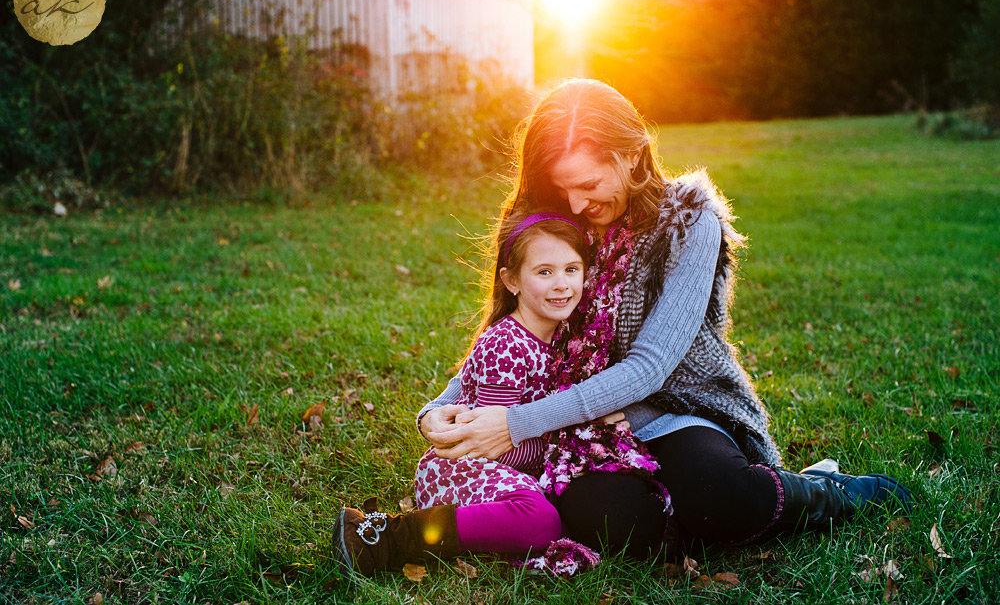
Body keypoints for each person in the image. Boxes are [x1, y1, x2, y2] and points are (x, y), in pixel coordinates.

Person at [420, 78, 912, 558]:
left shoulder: (688, 220)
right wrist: (439, 409)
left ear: (632, 154)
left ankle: (823, 491)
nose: (576, 204)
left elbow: (650, 368)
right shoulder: (554, 228)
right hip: (577, 434)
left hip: (674, 411)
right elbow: (509, 334)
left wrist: (517, 422)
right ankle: (698, 526)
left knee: (717, 490)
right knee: (605, 521)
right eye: (562, 187)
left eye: (589, 184)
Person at [333, 208, 599, 576]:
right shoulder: (506, 346)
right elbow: (492, 445)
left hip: (506, 470)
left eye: (572, 269)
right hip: (465, 468)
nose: (561, 284)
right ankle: (386, 537)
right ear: (512, 281)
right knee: (542, 523)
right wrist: (561, 446)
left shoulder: (561, 337)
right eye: (544, 272)